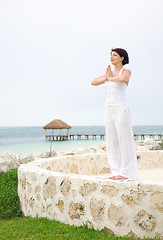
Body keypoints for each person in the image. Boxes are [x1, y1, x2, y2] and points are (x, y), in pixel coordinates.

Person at [91, 48, 138, 180]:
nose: (111, 57)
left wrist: (110, 77)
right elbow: (93, 82)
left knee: (124, 140)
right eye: (111, 55)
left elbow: (123, 79)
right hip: (108, 108)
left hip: (121, 108)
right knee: (111, 142)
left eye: (115, 55)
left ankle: (125, 173)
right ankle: (115, 171)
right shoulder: (108, 73)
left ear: (122, 58)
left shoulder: (126, 71)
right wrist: (107, 76)